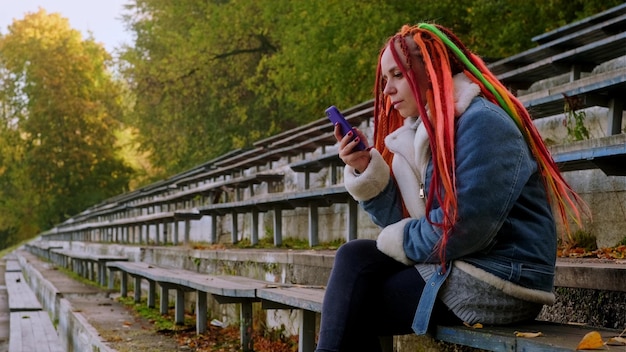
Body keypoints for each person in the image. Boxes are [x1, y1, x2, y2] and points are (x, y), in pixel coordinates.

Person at [315, 23, 586, 352]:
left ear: (429, 69)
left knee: (355, 304)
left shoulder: (482, 122)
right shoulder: (420, 131)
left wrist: (397, 238)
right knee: (353, 258)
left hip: (500, 279)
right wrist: (364, 169)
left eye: (397, 75)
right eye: (385, 79)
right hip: (459, 264)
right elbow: (402, 220)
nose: (387, 90)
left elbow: (464, 227)